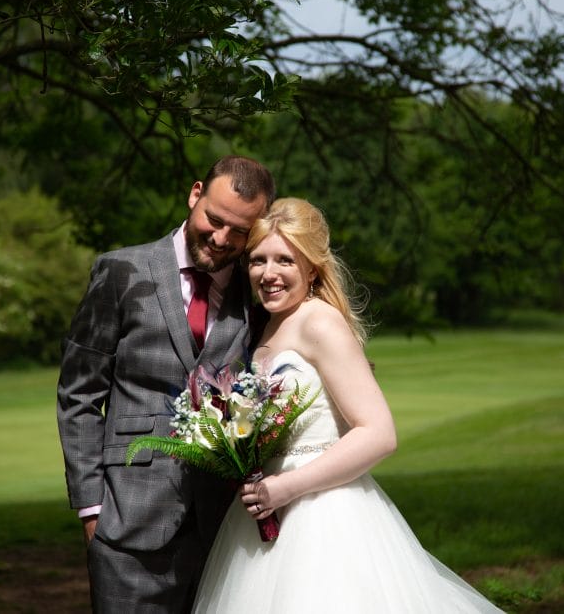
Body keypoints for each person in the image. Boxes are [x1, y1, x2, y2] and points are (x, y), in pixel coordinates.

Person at [193, 198, 505, 613]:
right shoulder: (266, 325)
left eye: (284, 260)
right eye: (258, 260)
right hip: (261, 517)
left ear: (312, 266)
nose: (268, 274)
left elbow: (378, 434)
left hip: (324, 519)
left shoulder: (319, 321)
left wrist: (285, 487)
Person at [56, 155, 276, 613]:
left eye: (239, 231)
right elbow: (79, 394)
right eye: (214, 220)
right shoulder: (120, 272)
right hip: (126, 523)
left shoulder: (254, 293)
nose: (221, 239)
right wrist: (91, 509)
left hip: (223, 530)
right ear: (195, 195)